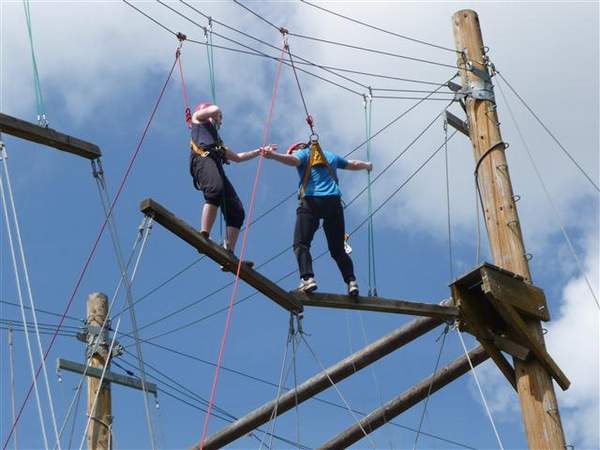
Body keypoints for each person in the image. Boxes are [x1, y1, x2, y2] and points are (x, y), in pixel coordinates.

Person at [262, 140, 373, 296]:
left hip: (311, 201)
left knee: (301, 244)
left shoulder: (303, 153)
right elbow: (352, 164)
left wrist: (273, 156)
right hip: (333, 203)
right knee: (338, 249)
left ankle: (308, 278)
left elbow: (293, 160)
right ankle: (351, 281)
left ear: (296, 149)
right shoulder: (330, 155)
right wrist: (367, 165)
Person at [189, 102, 276, 266]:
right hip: (202, 159)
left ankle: (228, 253)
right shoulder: (198, 121)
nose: (218, 120)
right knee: (215, 189)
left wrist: (259, 151)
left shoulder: (218, 143)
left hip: (213, 164)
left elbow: (237, 158)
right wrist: (216, 113)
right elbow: (213, 110)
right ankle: (204, 235)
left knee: (237, 211)